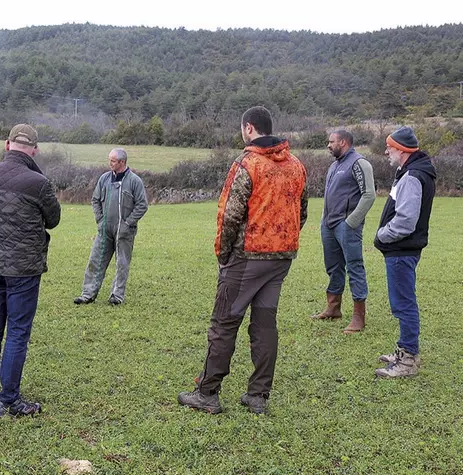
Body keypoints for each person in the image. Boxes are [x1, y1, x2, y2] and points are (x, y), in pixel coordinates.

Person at [178, 106, 308, 415]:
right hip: (281, 258)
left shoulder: (247, 163)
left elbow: (229, 215)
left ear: (248, 129)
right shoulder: (296, 165)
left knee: (224, 322)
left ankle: (207, 393)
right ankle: (258, 396)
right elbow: (300, 213)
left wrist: (224, 255)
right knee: (265, 325)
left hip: (246, 258)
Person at [0, 124, 61, 417]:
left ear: (7, 144)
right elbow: (53, 220)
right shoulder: (37, 183)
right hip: (23, 268)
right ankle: (9, 400)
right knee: (17, 331)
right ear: (35, 149)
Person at [374, 126, 436, 378]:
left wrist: (382, 235)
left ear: (401, 149)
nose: (386, 150)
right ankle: (405, 350)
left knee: (403, 304)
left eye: (389, 146)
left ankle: (407, 360)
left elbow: (406, 221)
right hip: (404, 249)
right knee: (403, 301)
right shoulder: (414, 172)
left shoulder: (412, 176)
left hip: (401, 250)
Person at [312, 130, 376, 334]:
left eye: (331, 141)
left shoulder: (360, 163)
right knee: (333, 267)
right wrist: (324, 220)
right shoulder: (334, 165)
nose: (328, 145)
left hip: (346, 225)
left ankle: (359, 316)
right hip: (329, 224)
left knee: (354, 267)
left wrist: (351, 222)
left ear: (344, 142)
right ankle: (333, 307)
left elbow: (369, 195)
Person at [73, 148, 148, 305]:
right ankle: (88, 294)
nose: (110, 163)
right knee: (95, 260)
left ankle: (116, 296)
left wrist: (128, 223)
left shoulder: (135, 181)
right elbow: (95, 200)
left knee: (122, 263)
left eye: (113, 161)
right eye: (110, 160)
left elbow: (142, 205)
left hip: (124, 232)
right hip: (105, 229)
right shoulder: (104, 179)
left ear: (122, 162)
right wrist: (100, 220)